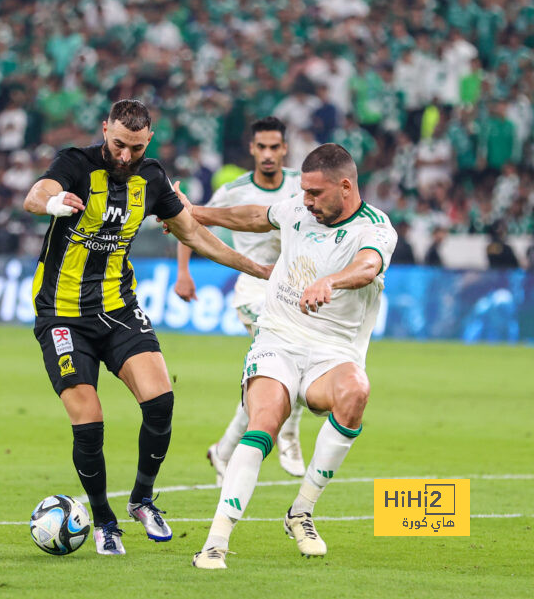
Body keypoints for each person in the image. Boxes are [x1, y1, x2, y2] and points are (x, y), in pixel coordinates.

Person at [23, 99, 270, 557]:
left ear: (148, 140)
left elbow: (193, 232)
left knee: (160, 401)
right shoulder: (75, 164)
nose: (124, 156)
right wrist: (53, 202)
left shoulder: (151, 177)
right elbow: (35, 194)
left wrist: (254, 267)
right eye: (118, 144)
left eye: (135, 147)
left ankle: (141, 498)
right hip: (62, 314)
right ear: (105, 130)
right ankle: (103, 520)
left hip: (118, 307)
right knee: (89, 418)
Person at [178, 143, 397, 569]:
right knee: (264, 425)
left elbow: (369, 266)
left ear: (346, 186)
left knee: (356, 392)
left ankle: (301, 511)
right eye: (304, 193)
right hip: (278, 337)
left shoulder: (375, 227)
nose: (307, 200)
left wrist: (331, 281)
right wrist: (198, 213)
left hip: (333, 352)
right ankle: (215, 541)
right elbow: (258, 216)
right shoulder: (299, 206)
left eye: (315, 193)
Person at [174, 116, 305, 483]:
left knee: (270, 374)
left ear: (284, 148)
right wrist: (184, 272)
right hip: (253, 290)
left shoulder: (300, 185)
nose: (267, 154)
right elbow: (190, 223)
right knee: (289, 358)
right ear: (251, 149)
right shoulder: (235, 190)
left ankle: (224, 450)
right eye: (260, 147)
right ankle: (289, 436)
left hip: (294, 290)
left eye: (274, 147)